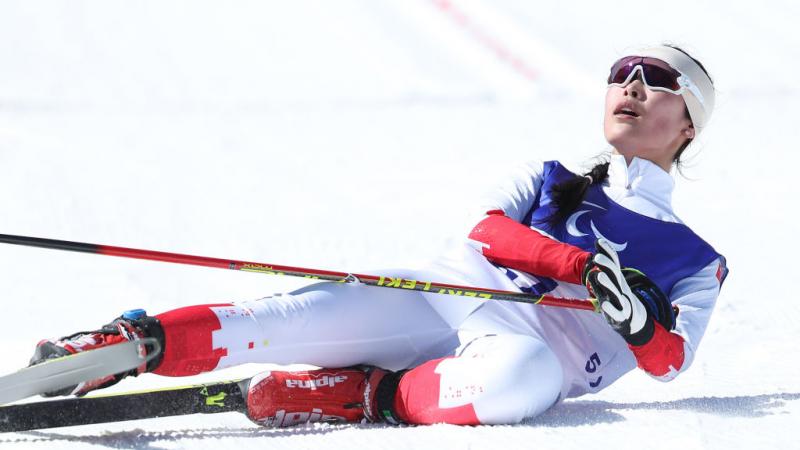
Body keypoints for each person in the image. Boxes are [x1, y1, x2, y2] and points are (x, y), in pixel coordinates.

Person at [30, 44, 727, 426]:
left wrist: (638, 323)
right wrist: (582, 268)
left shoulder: (696, 261)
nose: (630, 86)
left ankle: (361, 396)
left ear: (689, 122)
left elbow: (671, 360)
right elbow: (487, 234)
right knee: (282, 318)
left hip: (525, 352)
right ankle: (128, 345)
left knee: (526, 379)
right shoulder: (548, 175)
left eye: (657, 80)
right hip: (444, 297)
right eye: (620, 75)